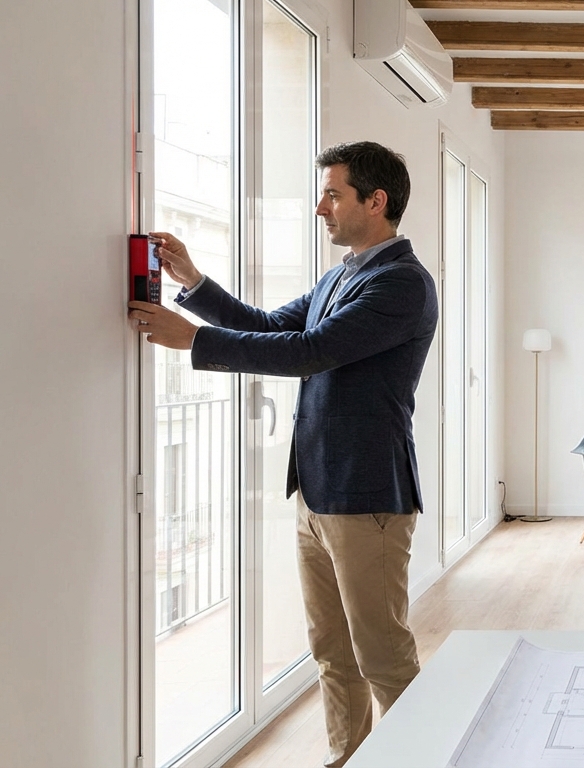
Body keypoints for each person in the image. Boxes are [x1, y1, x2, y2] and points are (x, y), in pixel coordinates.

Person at [128, 141, 438, 768]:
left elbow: (310, 351)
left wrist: (195, 340)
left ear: (375, 202)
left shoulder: (402, 283)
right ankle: (346, 759)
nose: (321, 207)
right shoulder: (344, 272)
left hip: (367, 497)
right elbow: (274, 326)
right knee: (332, 653)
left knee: (382, 657)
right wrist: (192, 281)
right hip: (319, 492)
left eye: (333, 193)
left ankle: (420, 758)